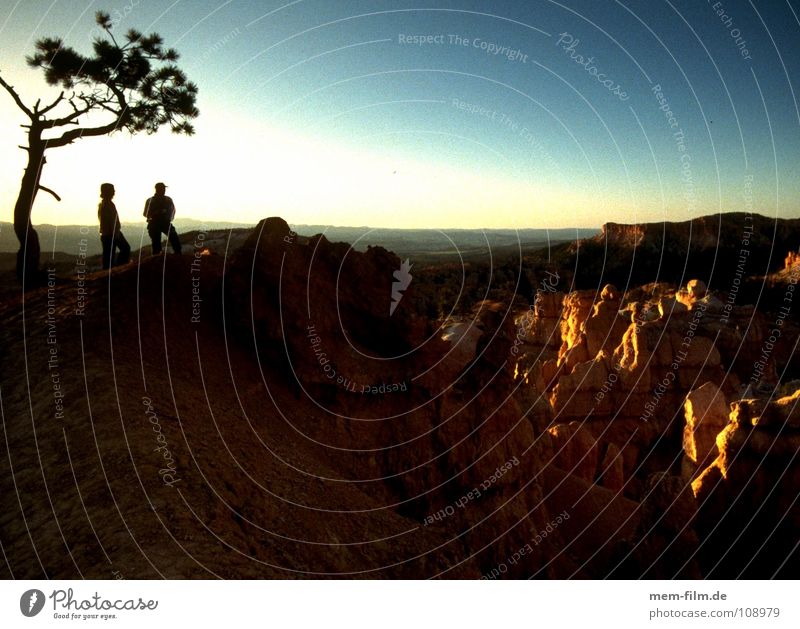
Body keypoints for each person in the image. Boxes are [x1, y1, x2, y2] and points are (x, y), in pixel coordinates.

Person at [98, 183, 131, 270]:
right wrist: (115, 233)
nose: (114, 192)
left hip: (108, 234)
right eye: (112, 190)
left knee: (108, 257)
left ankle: (115, 269)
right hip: (111, 234)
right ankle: (119, 268)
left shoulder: (104, 204)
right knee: (124, 249)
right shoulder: (108, 204)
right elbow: (111, 220)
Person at [143, 182, 182, 255]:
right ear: (157, 189)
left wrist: (168, 218)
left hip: (164, 222)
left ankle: (178, 254)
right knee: (157, 244)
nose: (164, 190)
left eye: (164, 189)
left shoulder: (167, 200)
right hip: (154, 223)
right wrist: (156, 213)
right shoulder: (151, 201)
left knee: (174, 237)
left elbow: (173, 210)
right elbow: (145, 213)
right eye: (163, 188)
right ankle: (157, 258)